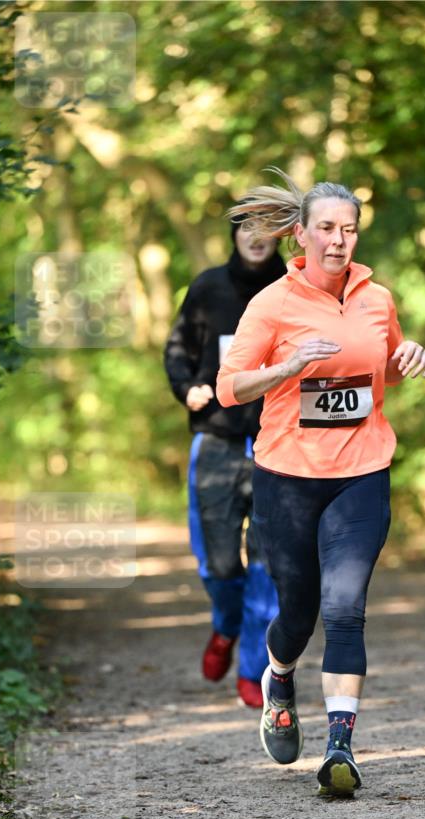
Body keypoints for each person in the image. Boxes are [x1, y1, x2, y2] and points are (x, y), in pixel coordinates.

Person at [216, 168, 425, 794]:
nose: (340, 240)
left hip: (361, 472)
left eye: (351, 230)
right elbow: (231, 387)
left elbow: (385, 363)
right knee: (299, 612)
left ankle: (341, 747)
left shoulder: (377, 297)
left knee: (346, 609)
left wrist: (408, 355)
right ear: (302, 236)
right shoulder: (272, 304)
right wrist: (287, 365)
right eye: (328, 229)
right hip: (286, 476)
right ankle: (277, 676)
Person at [164, 220, 286, 707]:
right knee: (218, 563)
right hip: (216, 441)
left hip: (279, 441)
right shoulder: (208, 287)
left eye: (267, 229)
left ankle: (254, 666)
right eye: (247, 229)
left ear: (280, 236)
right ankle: (225, 626)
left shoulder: (294, 288)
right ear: (233, 235)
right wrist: (187, 388)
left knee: (268, 563)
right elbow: (177, 350)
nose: (257, 238)